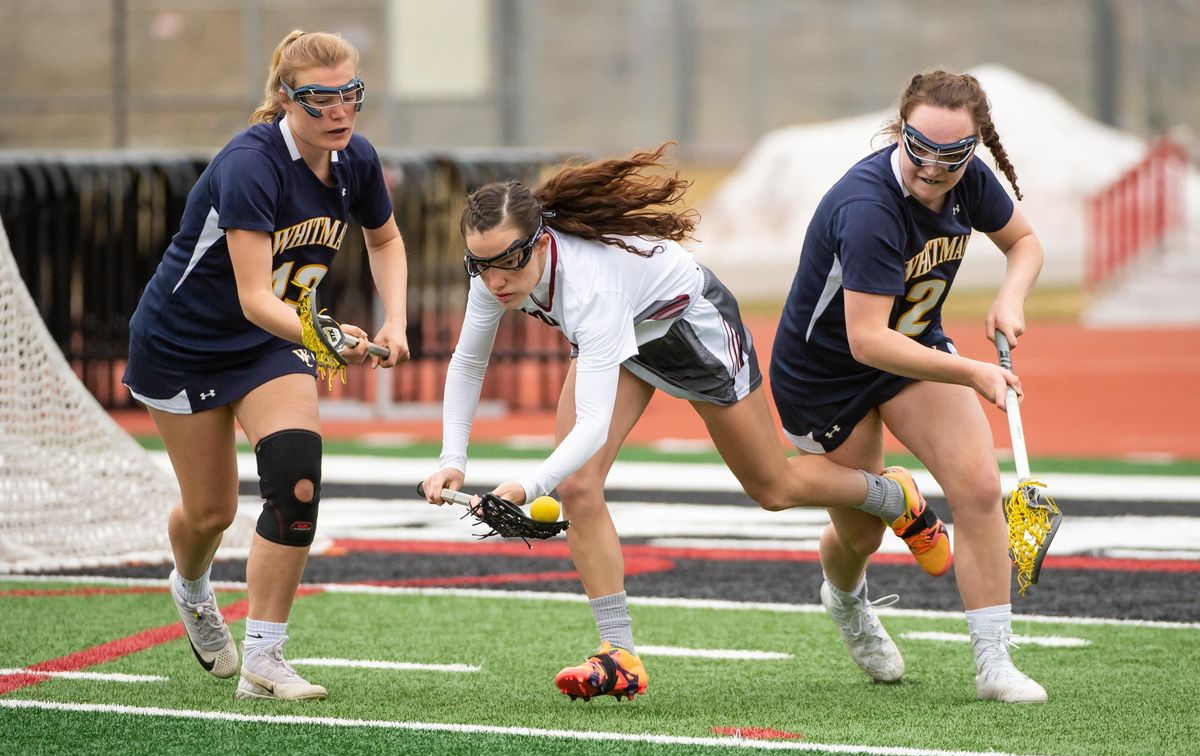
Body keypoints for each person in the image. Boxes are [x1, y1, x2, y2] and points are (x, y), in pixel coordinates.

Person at [422, 144, 948, 701]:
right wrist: (451, 461)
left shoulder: (590, 288)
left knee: (773, 487)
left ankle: (894, 497)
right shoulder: (493, 277)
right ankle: (618, 654)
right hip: (621, 341)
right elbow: (469, 361)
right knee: (578, 487)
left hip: (690, 331)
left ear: (540, 242)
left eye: (508, 262)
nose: (496, 281)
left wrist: (528, 486)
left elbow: (593, 424)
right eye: (480, 265)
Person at [123, 30, 410, 701]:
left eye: (351, 95)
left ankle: (265, 658)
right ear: (286, 98)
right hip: (182, 346)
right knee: (210, 512)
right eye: (321, 99)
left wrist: (393, 321)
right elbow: (255, 297)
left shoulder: (355, 160)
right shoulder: (250, 163)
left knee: (297, 482)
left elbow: (386, 238)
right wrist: (325, 334)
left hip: (268, 346)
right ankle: (191, 587)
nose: (340, 112)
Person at [770, 69, 1047, 702]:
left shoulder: (967, 178)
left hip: (912, 349)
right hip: (826, 376)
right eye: (919, 145)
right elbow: (867, 341)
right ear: (901, 129)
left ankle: (994, 663)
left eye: (953, 153)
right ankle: (846, 600)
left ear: (974, 147)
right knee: (862, 534)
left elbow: (1025, 242)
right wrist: (974, 370)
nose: (932, 165)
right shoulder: (868, 207)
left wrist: (1011, 296)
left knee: (978, 488)